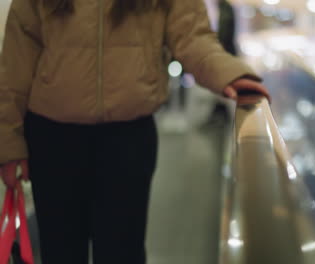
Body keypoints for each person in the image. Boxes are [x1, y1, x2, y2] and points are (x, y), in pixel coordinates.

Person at [0, 0, 270, 263]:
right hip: (53, 140)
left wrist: (230, 73)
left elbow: (192, 37)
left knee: (122, 250)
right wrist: (9, 144)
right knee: (61, 251)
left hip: (127, 140)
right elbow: (16, 64)